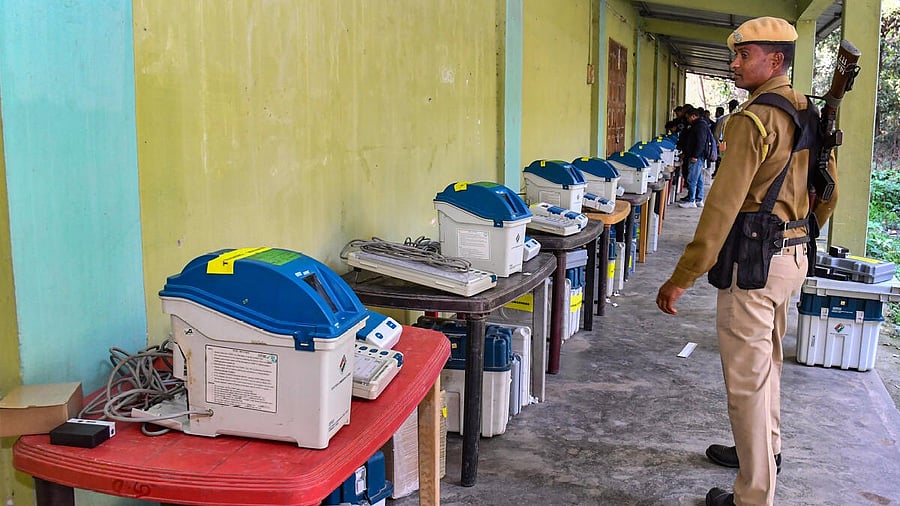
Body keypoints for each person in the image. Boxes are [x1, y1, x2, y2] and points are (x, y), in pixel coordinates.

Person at [655, 16, 839, 506]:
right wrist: (802, 229)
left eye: (744, 55)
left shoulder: (753, 118)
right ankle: (764, 453)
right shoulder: (807, 111)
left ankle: (753, 495)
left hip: (754, 262)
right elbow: (830, 190)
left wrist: (683, 275)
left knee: (746, 382)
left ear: (774, 60)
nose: (734, 64)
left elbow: (722, 206)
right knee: (767, 366)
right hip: (791, 256)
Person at [676, 106, 710, 208]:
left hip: (697, 156)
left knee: (692, 179)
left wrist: (695, 155)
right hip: (697, 155)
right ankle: (699, 199)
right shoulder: (699, 124)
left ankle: (691, 200)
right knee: (698, 178)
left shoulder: (699, 126)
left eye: (688, 118)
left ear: (694, 116)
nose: (687, 120)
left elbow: (700, 142)